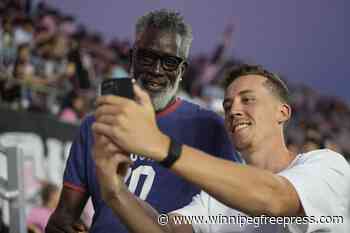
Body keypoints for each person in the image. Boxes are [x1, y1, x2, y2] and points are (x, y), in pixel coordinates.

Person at [46, 9, 240, 233]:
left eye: (169, 62)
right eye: (147, 57)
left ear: (182, 70)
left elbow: (235, 206)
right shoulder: (95, 125)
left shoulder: (210, 128)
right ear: (132, 58)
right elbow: (63, 217)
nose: (156, 70)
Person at [92, 64, 350, 232]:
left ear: (282, 112)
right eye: (227, 106)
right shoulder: (217, 198)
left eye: (247, 100)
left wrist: (160, 145)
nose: (234, 110)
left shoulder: (328, 166)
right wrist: (115, 191)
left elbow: (273, 198)